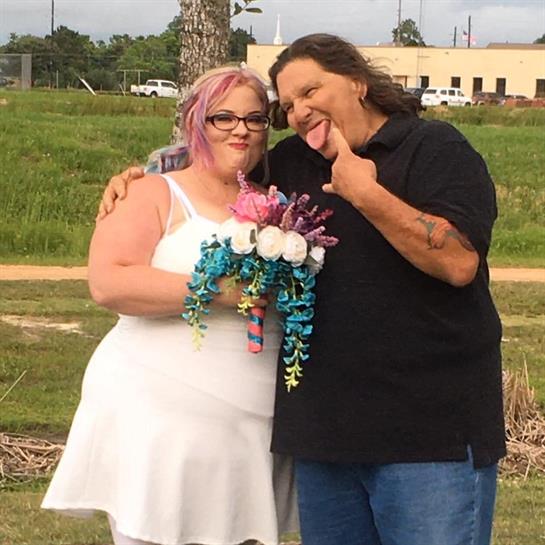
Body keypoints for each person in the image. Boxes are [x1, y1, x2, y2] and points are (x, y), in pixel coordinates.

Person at [101, 34, 505, 545]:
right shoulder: (293, 162)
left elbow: (458, 262)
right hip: (324, 444)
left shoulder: (436, 149)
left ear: (358, 82)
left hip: (430, 441)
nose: (299, 112)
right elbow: (212, 164)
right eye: (288, 105)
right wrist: (141, 175)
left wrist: (365, 192)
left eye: (311, 91)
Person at [42, 66, 298, 545]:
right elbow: (109, 282)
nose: (241, 130)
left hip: (254, 420)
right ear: (195, 121)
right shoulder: (153, 190)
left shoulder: (281, 204)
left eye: (254, 118)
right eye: (224, 117)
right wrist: (221, 293)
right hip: (159, 413)